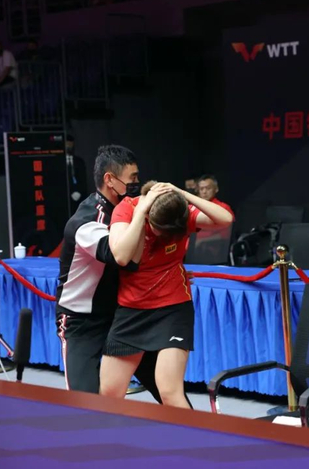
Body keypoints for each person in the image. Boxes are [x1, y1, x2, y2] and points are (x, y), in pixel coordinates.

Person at [100, 180, 234, 408]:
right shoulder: (127, 209)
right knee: (109, 393)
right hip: (132, 310)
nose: (165, 237)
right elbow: (121, 257)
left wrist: (181, 193)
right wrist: (141, 211)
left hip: (173, 309)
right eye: (160, 230)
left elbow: (225, 219)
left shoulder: (176, 212)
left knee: (169, 392)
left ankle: (192, 433)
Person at [56, 144, 161, 401]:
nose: (137, 184)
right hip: (81, 321)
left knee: (165, 386)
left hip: (121, 315)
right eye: (132, 178)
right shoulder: (87, 223)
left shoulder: (126, 211)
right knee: (85, 401)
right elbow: (122, 257)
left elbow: (138, 260)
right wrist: (141, 214)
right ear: (110, 180)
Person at [65, 134, 89, 212]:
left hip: (79, 197)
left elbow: (83, 179)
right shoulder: (60, 162)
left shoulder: (79, 161)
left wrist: (79, 191)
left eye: (70, 145)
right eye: (67, 145)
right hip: (66, 198)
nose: (69, 147)